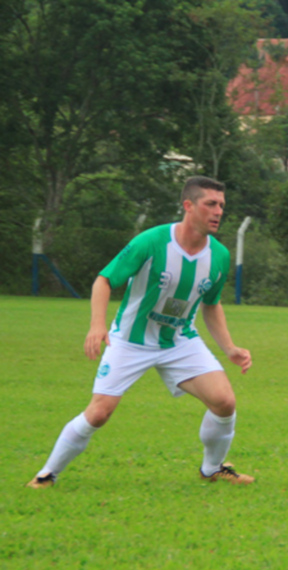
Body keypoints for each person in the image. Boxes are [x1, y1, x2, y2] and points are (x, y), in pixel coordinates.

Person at [26, 176, 254, 488]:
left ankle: (212, 468)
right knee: (99, 413)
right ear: (188, 206)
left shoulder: (220, 256)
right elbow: (104, 280)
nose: (218, 211)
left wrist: (229, 347)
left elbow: (211, 305)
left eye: (222, 206)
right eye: (210, 204)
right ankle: (46, 475)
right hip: (131, 340)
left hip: (179, 340)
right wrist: (97, 325)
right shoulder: (152, 241)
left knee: (224, 402)